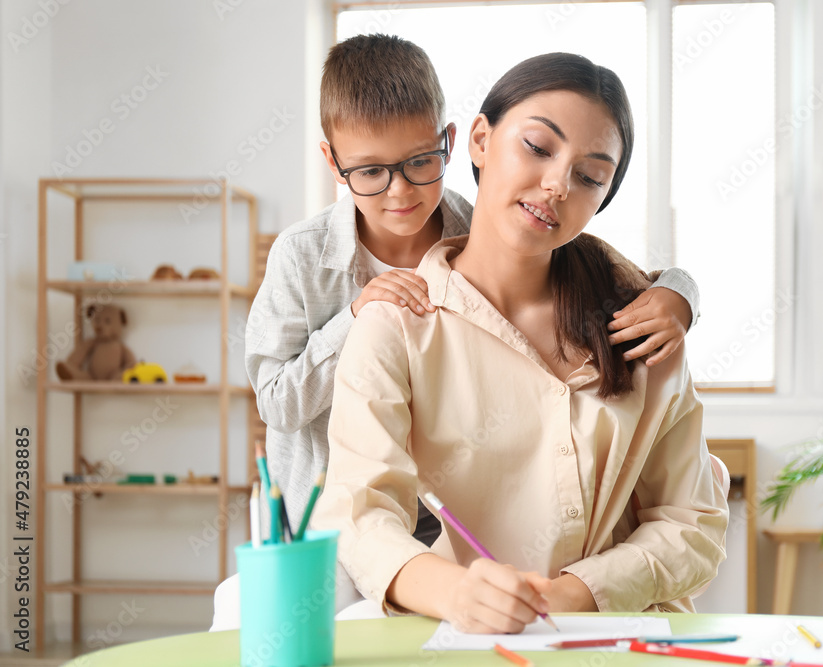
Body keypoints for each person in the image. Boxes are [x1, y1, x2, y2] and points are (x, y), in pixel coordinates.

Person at [210, 35, 701, 630]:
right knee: (253, 609)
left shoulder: (491, 227)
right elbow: (283, 408)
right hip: (340, 514)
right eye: (370, 171)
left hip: (464, 542)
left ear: (449, 145)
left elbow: (690, 523)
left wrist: (681, 293)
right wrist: (358, 315)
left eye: (419, 164)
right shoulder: (318, 267)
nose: (400, 191)